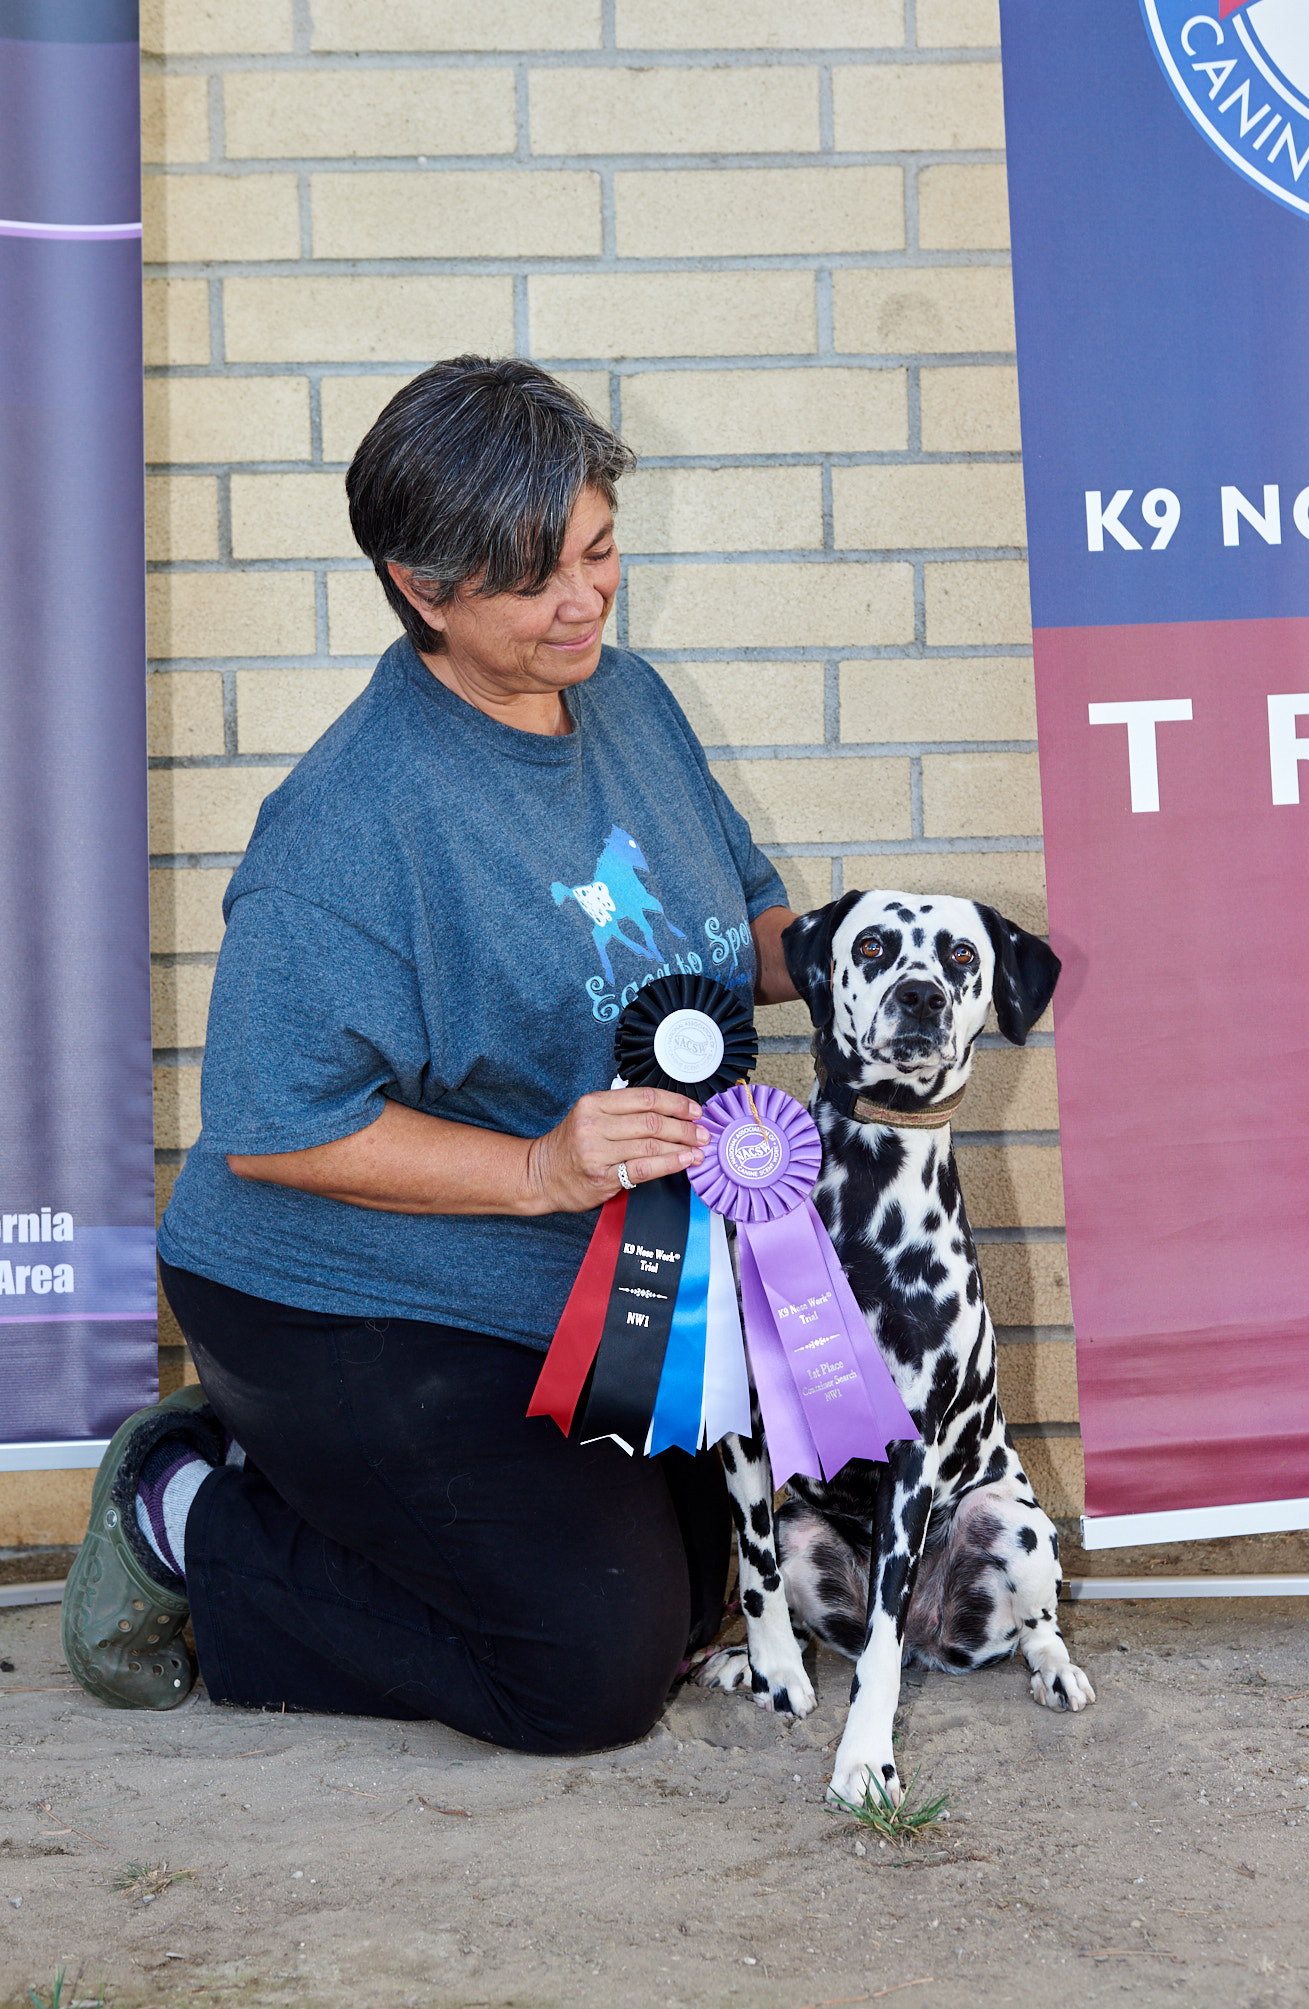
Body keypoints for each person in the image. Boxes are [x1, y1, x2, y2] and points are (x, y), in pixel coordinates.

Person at [61, 356, 799, 1752]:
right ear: (422, 588)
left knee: (717, 1580)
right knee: (590, 1673)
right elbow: (274, 1127)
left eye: (598, 551)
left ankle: (358, 1502)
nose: (584, 600)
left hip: (594, 1267)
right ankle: (189, 1516)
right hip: (343, 1292)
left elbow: (743, 922)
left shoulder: (631, 700)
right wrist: (536, 1170)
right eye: (533, 580)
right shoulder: (352, 822)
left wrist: (869, 954)